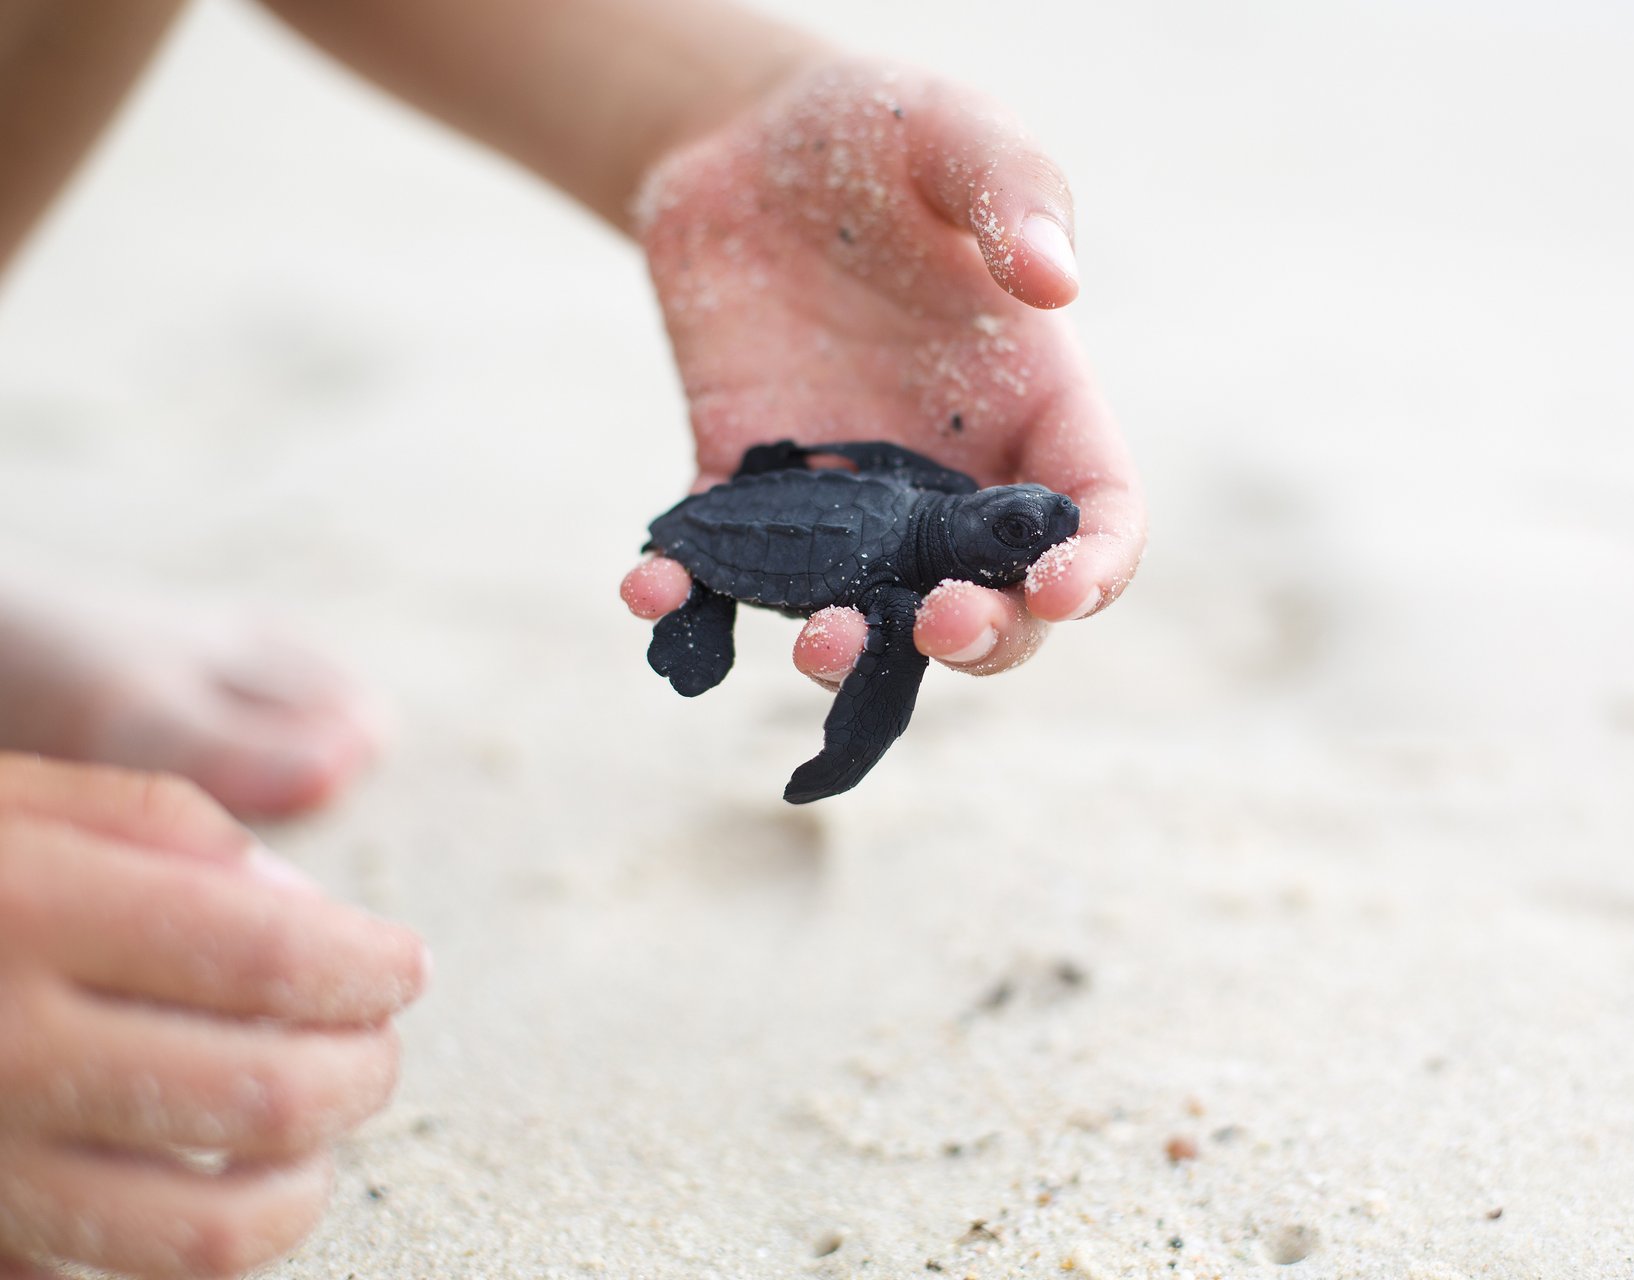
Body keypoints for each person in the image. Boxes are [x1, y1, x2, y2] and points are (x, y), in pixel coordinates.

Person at [0, 0, 1145, 1275]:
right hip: (740, 539)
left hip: (776, 512)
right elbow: (871, 653)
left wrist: (723, 103)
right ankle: (695, 621)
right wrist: (838, 733)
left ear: (971, 515)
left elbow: (857, 474)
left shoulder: (911, 500)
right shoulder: (899, 546)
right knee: (755, 627)